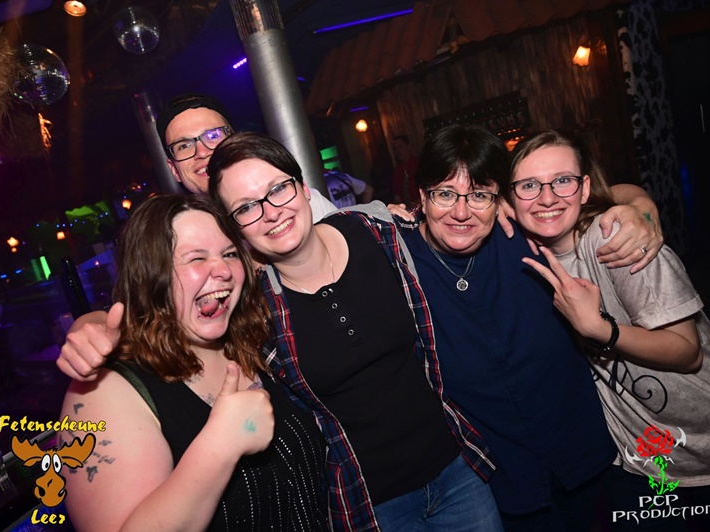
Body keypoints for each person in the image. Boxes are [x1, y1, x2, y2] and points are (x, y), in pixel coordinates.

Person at [59, 132, 504, 531]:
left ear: (304, 188)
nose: (270, 212)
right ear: (239, 229)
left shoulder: (377, 231)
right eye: (246, 208)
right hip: (372, 506)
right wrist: (92, 326)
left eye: (277, 189)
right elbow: (156, 312)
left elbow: (451, 220)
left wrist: (505, 206)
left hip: (458, 471)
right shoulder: (253, 305)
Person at [390, 123, 662, 531]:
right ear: (422, 196)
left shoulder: (524, 229)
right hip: (504, 480)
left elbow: (599, 194)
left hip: (585, 454)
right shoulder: (398, 258)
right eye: (445, 194)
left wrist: (640, 207)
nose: (461, 212)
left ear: (499, 197)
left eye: (479, 195)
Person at [508, 129, 710, 531]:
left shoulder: (617, 241)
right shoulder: (523, 252)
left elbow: (687, 351)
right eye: (529, 185)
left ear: (584, 187)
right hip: (640, 458)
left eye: (562, 180)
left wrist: (601, 329)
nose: (547, 197)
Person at [59, 194, 328, 531]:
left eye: (230, 254)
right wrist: (221, 444)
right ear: (149, 275)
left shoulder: (253, 343)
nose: (224, 270)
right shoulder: (103, 393)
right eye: (196, 258)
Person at [155, 92, 337, 220]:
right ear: (174, 170)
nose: (202, 152)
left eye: (212, 135)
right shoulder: (179, 244)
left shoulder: (300, 207)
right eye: (184, 146)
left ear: (236, 141)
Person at [390, 134, 420, 207]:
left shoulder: (418, 164)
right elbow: (397, 196)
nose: (398, 151)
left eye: (400, 147)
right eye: (395, 149)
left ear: (408, 146)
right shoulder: (397, 171)